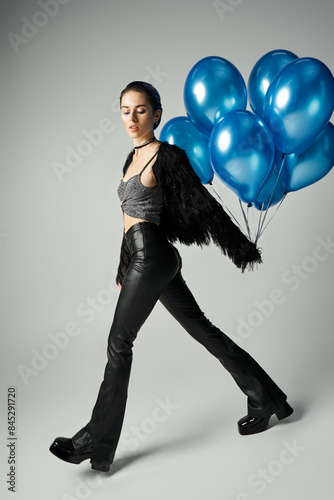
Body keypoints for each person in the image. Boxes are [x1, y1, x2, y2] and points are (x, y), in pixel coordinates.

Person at [49, 81, 293, 472]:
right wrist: (122, 263)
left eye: (140, 110)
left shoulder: (167, 157)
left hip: (153, 254)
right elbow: (128, 219)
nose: (132, 118)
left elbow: (204, 204)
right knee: (204, 331)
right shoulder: (130, 158)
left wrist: (241, 247)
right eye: (126, 110)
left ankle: (96, 439)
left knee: (118, 343)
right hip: (148, 255)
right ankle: (267, 398)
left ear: (156, 114)